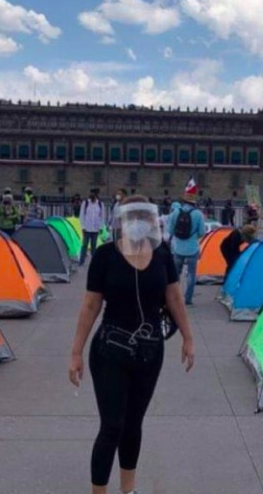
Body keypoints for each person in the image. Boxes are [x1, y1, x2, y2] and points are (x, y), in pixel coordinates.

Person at [68, 196, 195, 494]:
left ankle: (128, 489)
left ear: (153, 220)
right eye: (132, 216)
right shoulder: (104, 256)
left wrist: (189, 338)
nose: (139, 222)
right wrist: (76, 352)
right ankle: (99, 491)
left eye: (144, 216)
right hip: (110, 348)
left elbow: (174, 296)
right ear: (121, 220)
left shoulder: (162, 254)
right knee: (112, 425)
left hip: (149, 350)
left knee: (133, 423)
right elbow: (90, 305)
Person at [167, 192, 206, 305]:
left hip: (178, 248)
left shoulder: (175, 213)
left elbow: (170, 231)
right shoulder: (198, 214)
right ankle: (188, 299)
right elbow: (202, 232)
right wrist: (193, 237)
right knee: (191, 274)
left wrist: (179, 237)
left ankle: (175, 298)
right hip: (193, 247)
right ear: (193, 203)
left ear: (183, 202)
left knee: (176, 274)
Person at [79, 188, 105, 265]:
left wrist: (100, 227)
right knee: (84, 245)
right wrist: (83, 227)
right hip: (87, 228)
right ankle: (81, 261)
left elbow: (102, 216)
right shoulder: (86, 203)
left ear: (96, 195)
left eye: (93, 194)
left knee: (94, 246)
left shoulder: (100, 204)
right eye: (91, 194)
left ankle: (94, 262)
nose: (92, 195)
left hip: (95, 229)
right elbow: (82, 215)